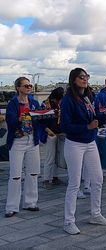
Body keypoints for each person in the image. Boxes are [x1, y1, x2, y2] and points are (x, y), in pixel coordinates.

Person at [61, 68, 106, 235]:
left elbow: (94, 117)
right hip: (75, 143)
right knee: (74, 183)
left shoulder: (87, 97)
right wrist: (86, 127)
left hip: (90, 142)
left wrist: (104, 115)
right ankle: (69, 221)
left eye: (86, 76)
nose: (85, 79)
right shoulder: (68, 100)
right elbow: (65, 126)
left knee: (98, 178)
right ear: (74, 80)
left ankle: (95, 214)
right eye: (81, 77)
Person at [5, 77, 41, 217]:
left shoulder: (34, 102)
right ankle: (11, 206)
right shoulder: (13, 103)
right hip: (17, 141)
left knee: (33, 172)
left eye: (30, 85)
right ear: (18, 88)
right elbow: (10, 120)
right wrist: (20, 118)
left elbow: (38, 119)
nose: (28, 88)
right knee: (15, 175)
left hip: (32, 139)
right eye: (25, 86)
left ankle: (30, 202)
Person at [40, 87, 64, 189]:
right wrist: (48, 131)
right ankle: (46, 179)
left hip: (60, 132)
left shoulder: (61, 103)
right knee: (50, 157)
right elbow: (40, 120)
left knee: (57, 157)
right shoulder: (46, 104)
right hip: (50, 133)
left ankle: (55, 177)